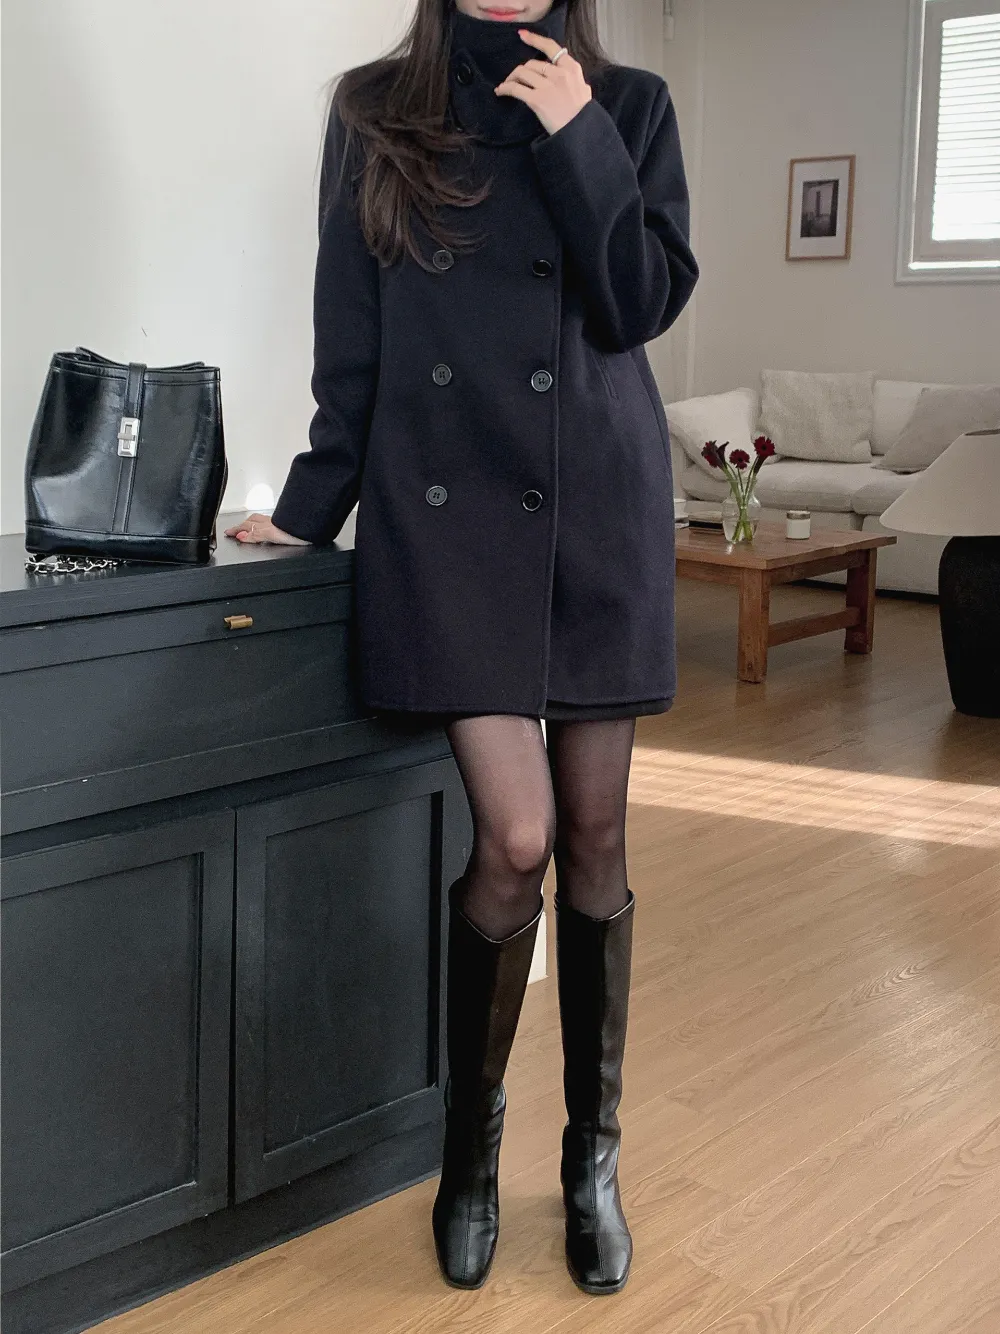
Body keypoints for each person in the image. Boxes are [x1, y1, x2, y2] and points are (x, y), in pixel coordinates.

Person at [225, 0, 697, 1297]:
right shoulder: (374, 110)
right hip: (448, 517)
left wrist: (582, 137)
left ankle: (591, 1161)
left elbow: (639, 303)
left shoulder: (630, 106)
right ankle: (469, 1157)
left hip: (596, 513)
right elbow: (352, 334)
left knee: (596, 838)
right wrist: (311, 506)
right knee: (519, 836)